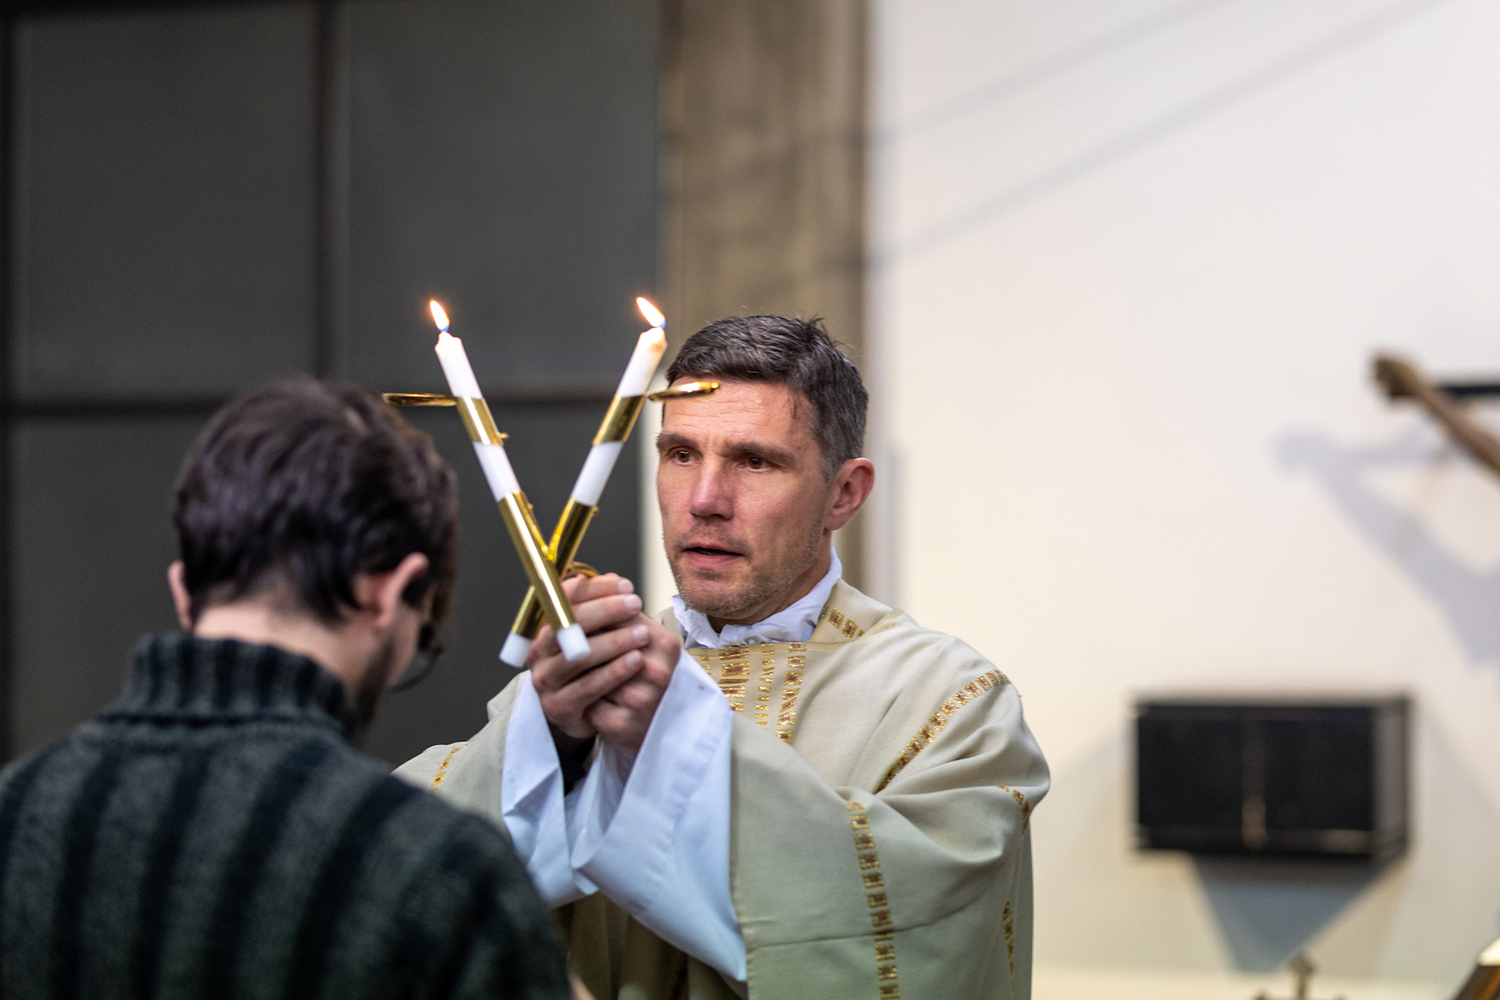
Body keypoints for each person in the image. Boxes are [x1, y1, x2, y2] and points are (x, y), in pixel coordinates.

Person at [399, 317, 1050, 999]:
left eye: (755, 461)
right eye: (680, 454)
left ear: (845, 493)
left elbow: (920, 933)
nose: (705, 501)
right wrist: (552, 741)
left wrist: (679, 736)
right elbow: (407, 869)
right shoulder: (588, 673)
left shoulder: (952, 702)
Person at [0, 378, 573, 1000]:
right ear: (387, 592)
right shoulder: (436, 876)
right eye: (424, 634)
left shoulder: (15, 813)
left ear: (184, 590)